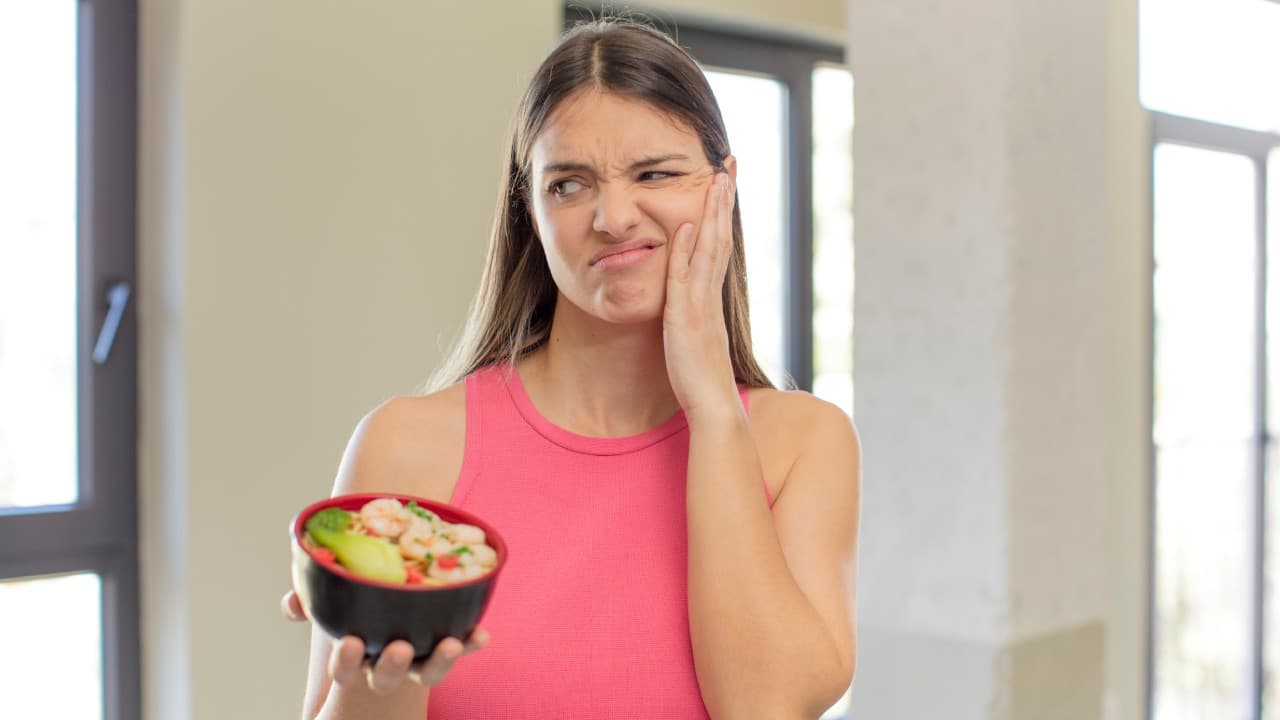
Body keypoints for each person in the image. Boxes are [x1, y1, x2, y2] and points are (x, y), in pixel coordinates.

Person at [281, 16, 861, 720]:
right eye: (569, 185)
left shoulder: (804, 443)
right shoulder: (404, 445)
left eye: (656, 173)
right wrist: (381, 675)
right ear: (529, 209)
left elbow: (765, 708)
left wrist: (712, 406)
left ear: (723, 188)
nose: (613, 217)